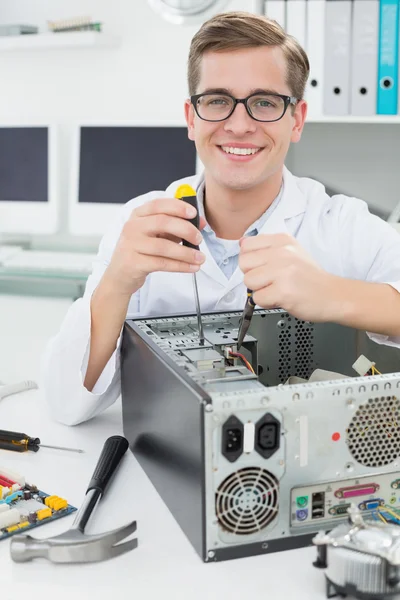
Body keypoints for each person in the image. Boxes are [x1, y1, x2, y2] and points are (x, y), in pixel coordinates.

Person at [42, 11, 400, 426]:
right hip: (163, 468)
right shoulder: (141, 224)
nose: (239, 124)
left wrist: (332, 294)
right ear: (192, 118)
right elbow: (65, 403)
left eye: (264, 102)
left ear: (297, 119)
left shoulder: (341, 224)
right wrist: (116, 285)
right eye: (217, 101)